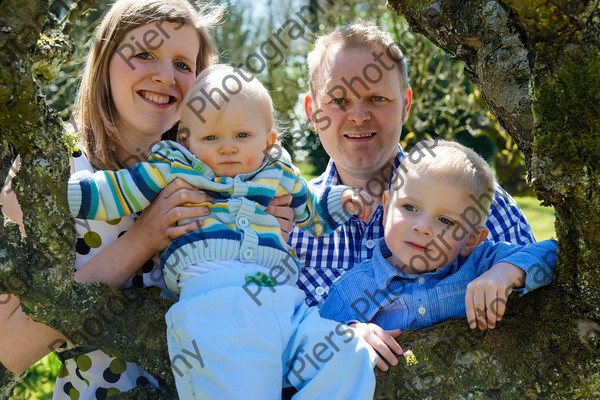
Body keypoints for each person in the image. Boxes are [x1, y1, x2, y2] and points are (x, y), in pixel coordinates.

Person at [0, 1, 293, 398]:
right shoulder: (53, 175)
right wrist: (143, 239)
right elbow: (9, 347)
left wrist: (269, 242)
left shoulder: (222, 173)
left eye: (183, 65)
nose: (165, 76)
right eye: (144, 55)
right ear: (105, 62)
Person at [67, 63, 377, 399]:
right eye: (211, 137)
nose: (227, 147)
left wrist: (343, 202)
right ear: (186, 140)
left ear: (268, 141)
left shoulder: (278, 176)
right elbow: (116, 191)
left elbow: (313, 211)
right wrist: (55, 190)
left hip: (287, 308)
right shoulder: (176, 169)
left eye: (242, 136)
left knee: (349, 355)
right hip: (218, 314)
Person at [287, 19, 537, 371]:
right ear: (313, 112)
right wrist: (332, 337)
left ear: (405, 103)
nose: (358, 115)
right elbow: (266, 336)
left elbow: (539, 307)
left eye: (377, 98)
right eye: (339, 100)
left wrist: (505, 273)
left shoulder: (480, 202)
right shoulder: (286, 222)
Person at [319, 140, 557, 331]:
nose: (423, 227)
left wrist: (505, 273)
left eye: (445, 220)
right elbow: (315, 353)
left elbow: (553, 253)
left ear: (472, 239)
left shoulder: (480, 264)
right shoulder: (351, 290)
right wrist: (350, 338)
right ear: (387, 207)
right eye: (410, 208)